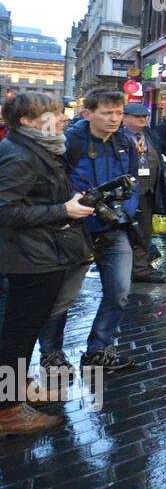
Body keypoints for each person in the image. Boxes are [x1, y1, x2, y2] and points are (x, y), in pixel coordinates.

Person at [0, 94, 95, 434]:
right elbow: (4, 211)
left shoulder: (38, 148)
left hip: (41, 252)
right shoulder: (20, 155)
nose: (63, 117)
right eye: (53, 113)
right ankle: (7, 409)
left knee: (23, 331)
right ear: (27, 121)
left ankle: (15, 390)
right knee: (19, 331)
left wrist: (66, 202)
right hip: (30, 257)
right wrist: (63, 211)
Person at [41, 90, 143, 372]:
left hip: (113, 228)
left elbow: (133, 182)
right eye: (107, 113)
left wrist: (125, 211)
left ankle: (99, 350)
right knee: (63, 299)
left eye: (118, 113)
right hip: (73, 230)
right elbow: (52, 184)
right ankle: (52, 355)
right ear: (87, 114)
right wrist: (78, 205)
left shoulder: (125, 142)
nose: (114, 119)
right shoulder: (68, 142)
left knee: (119, 293)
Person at [122, 104, 166, 283]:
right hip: (126, 194)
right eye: (138, 117)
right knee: (125, 233)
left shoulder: (151, 135)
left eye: (145, 117)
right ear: (125, 117)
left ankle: (140, 268)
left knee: (144, 232)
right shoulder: (118, 136)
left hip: (149, 191)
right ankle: (126, 268)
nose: (143, 120)